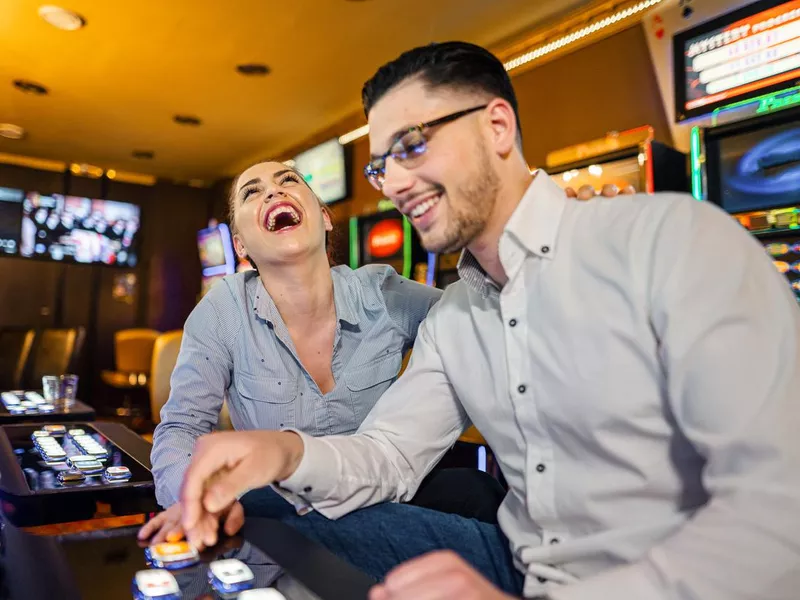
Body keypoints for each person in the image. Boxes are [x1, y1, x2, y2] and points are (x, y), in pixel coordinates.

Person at [178, 40, 800, 600]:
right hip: (518, 562)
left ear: (497, 126)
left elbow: (778, 515)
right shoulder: (457, 316)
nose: (393, 181)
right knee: (272, 531)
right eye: (380, 165)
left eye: (411, 146)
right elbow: (390, 454)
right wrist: (284, 452)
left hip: (660, 575)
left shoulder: (672, 241)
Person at [142, 158, 519, 543]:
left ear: (324, 217)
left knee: (473, 491)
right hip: (282, 512)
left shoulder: (382, 293)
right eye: (251, 192)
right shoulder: (223, 309)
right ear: (240, 244)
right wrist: (195, 499)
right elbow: (181, 428)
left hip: (381, 502)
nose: (273, 190)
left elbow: (474, 324)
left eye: (288, 179)